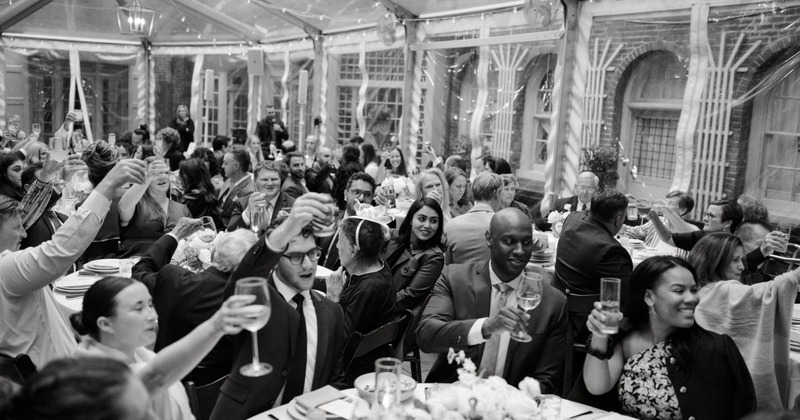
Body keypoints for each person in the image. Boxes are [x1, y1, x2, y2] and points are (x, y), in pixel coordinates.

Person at [0, 159, 146, 367]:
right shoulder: (5, 269)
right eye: (17, 227)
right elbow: (60, 250)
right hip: (56, 382)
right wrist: (108, 183)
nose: (23, 234)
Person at [211, 194, 346, 420]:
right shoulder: (257, 297)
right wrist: (286, 228)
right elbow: (244, 276)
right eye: (295, 256)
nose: (307, 264)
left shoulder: (332, 312)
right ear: (275, 260)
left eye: (312, 253)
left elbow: (336, 382)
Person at [582, 256, 756, 420]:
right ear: (649, 297)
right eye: (679, 290)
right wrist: (599, 335)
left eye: (694, 290)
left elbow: (742, 411)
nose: (692, 298)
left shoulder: (713, 349)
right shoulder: (625, 339)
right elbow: (597, 388)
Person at [417, 208, 568, 393]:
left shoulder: (552, 303)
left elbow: (547, 380)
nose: (520, 251)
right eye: (509, 241)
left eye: (526, 242)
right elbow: (426, 335)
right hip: (453, 397)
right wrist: (486, 327)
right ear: (489, 239)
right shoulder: (455, 279)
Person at [70, 277, 255, 420]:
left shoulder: (141, 354)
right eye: (138, 308)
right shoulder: (90, 377)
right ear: (105, 324)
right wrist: (216, 326)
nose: (152, 315)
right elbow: (156, 377)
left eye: (150, 304)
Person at [132, 222, 258, 385]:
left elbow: (138, 273)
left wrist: (174, 235)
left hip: (167, 381)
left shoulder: (172, 278)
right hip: (223, 389)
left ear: (213, 254)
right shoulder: (250, 300)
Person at [688, 233, 800, 410]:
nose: (741, 266)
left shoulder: (699, 289)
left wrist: (762, 251)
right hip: (729, 391)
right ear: (715, 260)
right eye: (735, 260)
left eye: (741, 259)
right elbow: (770, 291)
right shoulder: (723, 290)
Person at [325, 213, 396, 384]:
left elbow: (338, 339)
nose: (336, 246)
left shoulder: (368, 290)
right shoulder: (377, 264)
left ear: (353, 249)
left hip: (352, 370)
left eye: (340, 241)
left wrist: (333, 298)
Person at [553, 188, 632, 339]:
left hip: (556, 310)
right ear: (619, 219)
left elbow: (586, 212)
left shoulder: (572, 219)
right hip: (586, 325)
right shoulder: (611, 251)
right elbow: (627, 300)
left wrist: (607, 203)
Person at [382, 197, 445, 311]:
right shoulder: (397, 239)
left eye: (433, 221)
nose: (427, 225)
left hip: (389, 313)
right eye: (422, 219)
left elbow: (409, 296)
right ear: (411, 219)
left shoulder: (434, 257)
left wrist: (376, 308)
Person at [118, 160, 191, 256]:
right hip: (136, 264)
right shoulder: (136, 204)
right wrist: (148, 176)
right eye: (155, 173)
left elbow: (191, 241)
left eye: (165, 172)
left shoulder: (182, 209)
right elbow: (123, 207)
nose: (161, 177)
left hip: (170, 266)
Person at [318, 172, 376, 270]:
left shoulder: (372, 233)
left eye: (367, 194)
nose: (361, 198)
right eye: (356, 192)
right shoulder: (329, 218)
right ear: (346, 195)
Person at [445, 172, 502, 264]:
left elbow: (447, 267)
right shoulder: (503, 226)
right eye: (458, 186)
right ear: (498, 193)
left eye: (463, 186)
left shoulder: (451, 226)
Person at [626, 190, 698, 259]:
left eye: (671, 204)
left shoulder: (693, 230)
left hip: (673, 265)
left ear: (683, 210)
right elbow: (631, 232)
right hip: (649, 261)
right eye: (665, 203)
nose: (664, 206)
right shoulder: (659, 220)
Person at [227, 160, 295, 232]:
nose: (270, 183)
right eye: (265, 179)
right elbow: (231, 232)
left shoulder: (293, 204)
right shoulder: (242, 203)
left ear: (280, 180)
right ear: (254, 181)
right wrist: (248, 212)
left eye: (274, 179)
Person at [179, 158, 222, 228]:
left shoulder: (193, 197)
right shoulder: (207, 189)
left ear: (189, 176)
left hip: (200, 234)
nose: (178, 177)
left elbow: (176, 218)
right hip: (212, 231)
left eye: (180, 173)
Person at [218, 148, 255, 228]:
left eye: (225, 163)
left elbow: (240, 222)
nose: (222, 166)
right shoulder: (230, 179)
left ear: (236, 166)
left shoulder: (249, 191)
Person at [332, 144, 364, 210]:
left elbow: (338, 185)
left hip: (344, 199)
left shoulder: (343, 167)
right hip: (357, 198)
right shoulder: (360, 167)